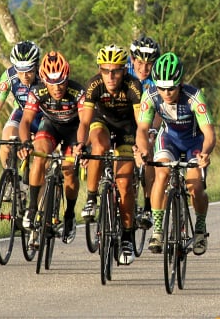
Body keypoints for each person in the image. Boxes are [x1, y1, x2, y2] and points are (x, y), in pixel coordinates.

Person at [134, 52, 215, 256]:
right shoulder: (151, 95)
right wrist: (144, 151)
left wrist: (205, 153)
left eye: (171, 88)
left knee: (195, 186)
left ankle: (199, 228)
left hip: (194, 143)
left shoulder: (194, 97)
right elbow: (142, 130)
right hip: (168, 139)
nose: (167, 92)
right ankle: (159, 230)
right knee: (161, 174)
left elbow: (209, 133)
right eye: (162, 87)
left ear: (180, 83)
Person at [74, 44, 143, 265]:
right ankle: (92, 198)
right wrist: (79, 144)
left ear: (124, 70)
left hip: (127, 128)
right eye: (105, 70)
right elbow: (84, 121)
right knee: (99, 148)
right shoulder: (94, 85)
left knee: (124, 184)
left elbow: (141, 123)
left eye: (115, 71)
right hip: (101, 122)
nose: (110, 76)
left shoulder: (134, 86)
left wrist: (141, 145)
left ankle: (127, 236)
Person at [19, 51, 86, 247]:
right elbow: (26, 121)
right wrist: (25, 143)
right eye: (52, 83)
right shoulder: (37, 92)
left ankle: (69, 215)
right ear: (43, 80)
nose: (57, 88)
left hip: (74, 130)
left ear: (67, 78)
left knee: (69, 171)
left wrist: (81, 146)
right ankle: (32, 209)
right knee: (40, 156)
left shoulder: (78, 92)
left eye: (62, 82)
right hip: (51, 127)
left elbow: (85, 123)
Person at [0, 41, 42, 173]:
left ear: (36, 66)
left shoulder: (44, 76)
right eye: (20, 71)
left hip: (42, 115)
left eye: (29, 70)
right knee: (7, 142)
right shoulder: (8, 76)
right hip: (21, 112)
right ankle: (10, 181)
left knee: (41, 154)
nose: (24, 76)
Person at [125, 35, 162, 230]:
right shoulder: (123, 72)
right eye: (139, 63)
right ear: (132, 60)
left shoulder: (158, 76)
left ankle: (148, 206)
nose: (144, 69)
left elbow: (160, 109)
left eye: (149, 64)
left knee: (149, 153)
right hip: (128, 120)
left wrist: (152, 133)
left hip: (150, 120)